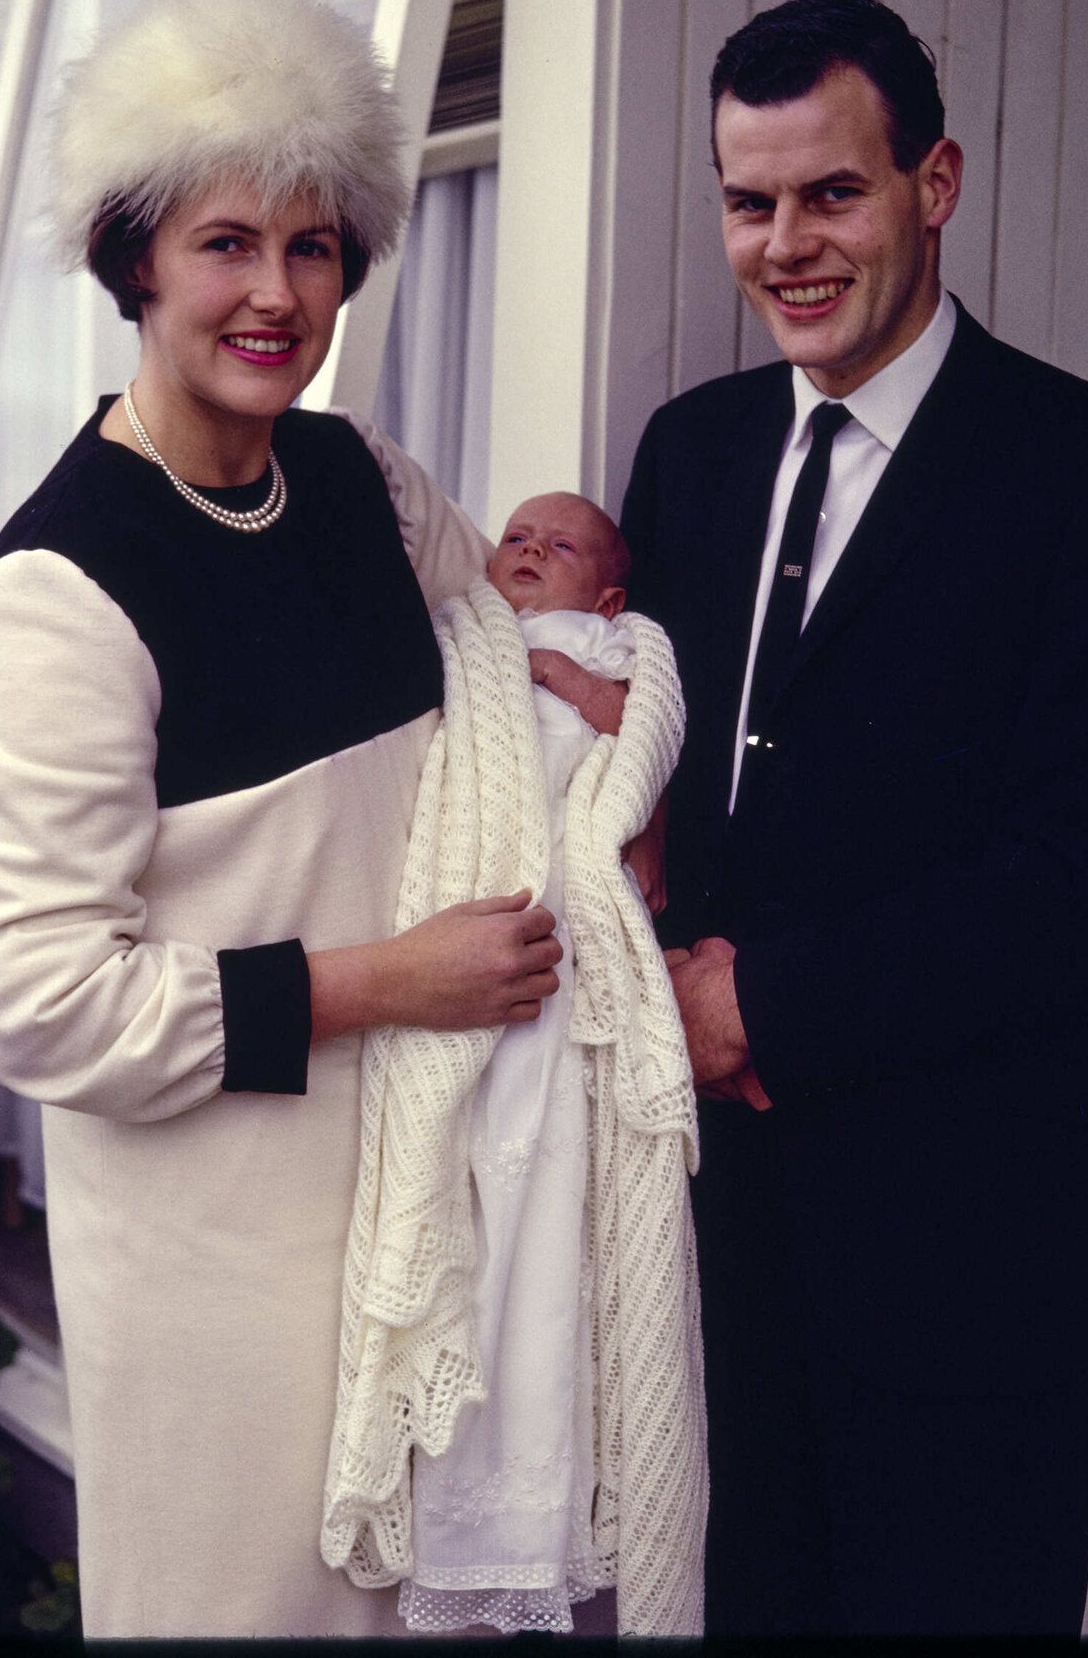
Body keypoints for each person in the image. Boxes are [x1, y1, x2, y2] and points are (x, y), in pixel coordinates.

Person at [0, 0, 565, 1639]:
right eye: (227, 241)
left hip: (409, 1218)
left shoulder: (368, 489)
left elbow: (523, 679)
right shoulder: (65, 583)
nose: (275, 291)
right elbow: (38, 1004)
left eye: (313, 245)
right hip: (215, 1278)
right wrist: (390, 978)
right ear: (135, 256)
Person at [618, 0, 1088, 1637]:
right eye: (749, 200)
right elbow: (642, 792)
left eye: (832, 192)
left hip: (965, 1291)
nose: (785, 242)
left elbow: (1080, 886)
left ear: (933, 181)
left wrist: (757, 1001)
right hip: (712, 1270)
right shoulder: (692, 453)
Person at [321, 493, 707, 1636]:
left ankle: (518, 1521)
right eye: (516, 540)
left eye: (563, 545)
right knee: (459, 1221)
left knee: (539, 1236)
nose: (529, 553)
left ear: (610, 595)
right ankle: (453, 1509)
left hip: (557, 961)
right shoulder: (464, 635)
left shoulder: (620, 650)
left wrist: (596, 702)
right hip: (465, 930)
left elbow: (646, 746)